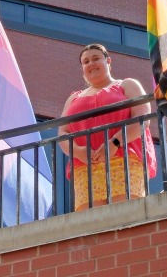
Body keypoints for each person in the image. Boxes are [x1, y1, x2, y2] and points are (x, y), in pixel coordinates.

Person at [58, 43, 156, 211]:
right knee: (92, 222)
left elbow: (142, 118)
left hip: (123, 158)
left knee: (125, 214)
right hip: (85, 166)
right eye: (86, 61)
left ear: (108, 61)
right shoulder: (73, 98)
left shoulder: (127, 85)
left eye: (96, 59)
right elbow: (62, 132)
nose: (91, 64)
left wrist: (114, 142)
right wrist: (78, 151)